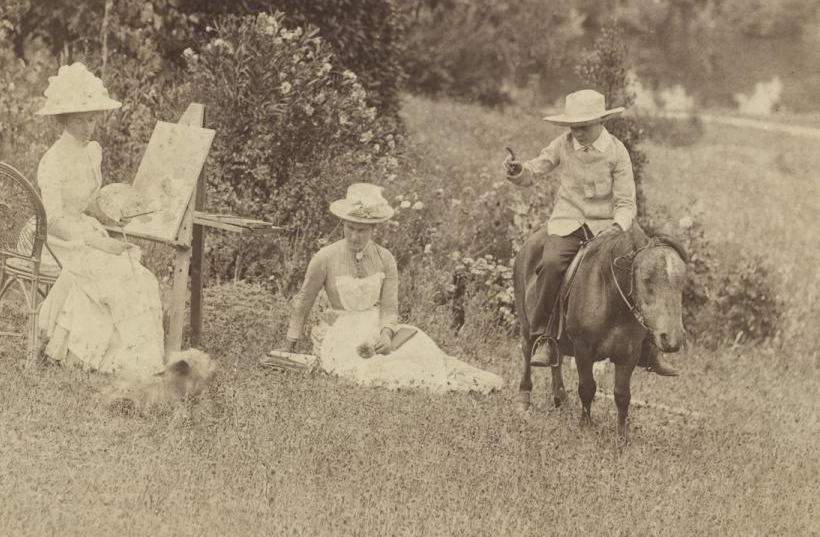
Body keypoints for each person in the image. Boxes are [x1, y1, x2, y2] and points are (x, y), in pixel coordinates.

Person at [504, 88, 677, 375]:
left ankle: (649, 347)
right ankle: (545, 337)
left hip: (609, 227)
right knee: (549, 264)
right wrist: (518, 170)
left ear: (600, 123)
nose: (578, 133)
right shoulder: (563, 144)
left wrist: (618, 226)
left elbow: (625, 201)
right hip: (568, 223)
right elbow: (537, 168)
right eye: (573, 127)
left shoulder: (617, 152)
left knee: (647, 265)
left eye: (583, 127)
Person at [283, 184, 502, 393]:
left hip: (375, 324)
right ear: (342, 224)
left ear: (373, 229)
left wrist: (386, 334)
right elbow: (304, 301)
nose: (354, 236)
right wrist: (289, 345)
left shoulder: (385, 258)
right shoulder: (326, 257)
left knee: (421, 348)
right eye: (350, 228)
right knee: (367, 367)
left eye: (361, 230)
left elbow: (389, 308)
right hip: (340, 329)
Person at [32, 63, 166, 379]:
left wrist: (117, 207)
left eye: (92, 119)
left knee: (139, 274)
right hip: (56, 239)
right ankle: (103, 359)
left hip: (83, 228)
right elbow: (53, 220)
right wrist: (97, 242)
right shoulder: (52, 162)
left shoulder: (93, 152)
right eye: (79, 120)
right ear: (62, 121)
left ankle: (138, 362)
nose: (88, 127)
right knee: (113, 274)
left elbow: (88, 202)